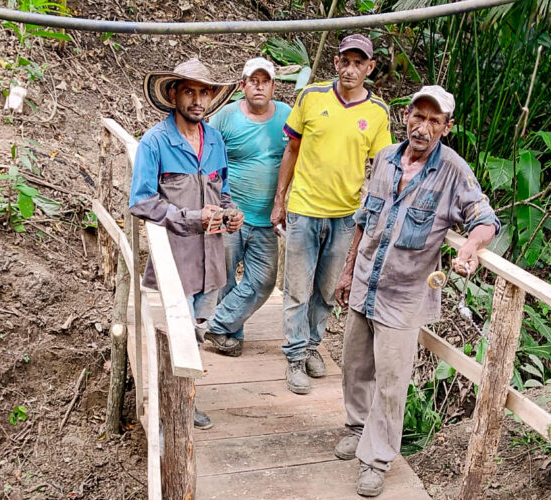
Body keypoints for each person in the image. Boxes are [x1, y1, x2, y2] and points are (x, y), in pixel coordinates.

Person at [334, 85, 501, 497]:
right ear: (406, 115)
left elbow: (485, 219)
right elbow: (363, 219)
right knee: (354, 366)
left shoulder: (454, 171)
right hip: (365, 280)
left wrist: (469, 246)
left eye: (434, 120)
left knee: (391, 381)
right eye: (418, 116)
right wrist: (348, 268)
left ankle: (376, 459)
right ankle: (357, 426)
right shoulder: (387, 157)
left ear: (448, 127)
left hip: (404, 294)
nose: (423, 127)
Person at [272, 34, 391, 395]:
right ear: (336, 63)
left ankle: (311, 346)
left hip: (345, 217)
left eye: (360, 63)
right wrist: (280, 199)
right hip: (305, 208)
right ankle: (294, 356)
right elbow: (292, 149)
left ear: (369, 68)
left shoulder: (377, 112)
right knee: (296, 287)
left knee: (325, 290)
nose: (351, 69)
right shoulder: (311, 97)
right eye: (346, 61)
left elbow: (383, 166)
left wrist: (375, 214)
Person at [129, 58, 244, 429]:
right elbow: (142, 201)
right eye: (190, 91)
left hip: (211, 259)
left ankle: (183, 400)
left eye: (204, 92)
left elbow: (222, 192)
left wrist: (231, 214)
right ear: (174, 94)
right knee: (172, 335)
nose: (198, 99)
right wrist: (190, 217)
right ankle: (170, 407)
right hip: (175, 259)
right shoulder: (156, 141)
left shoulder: (215, 140)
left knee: (194, 331)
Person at [203, 57, 291, 357]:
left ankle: (214, 326)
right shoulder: (226, 118)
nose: (259, 86)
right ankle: (229, 335)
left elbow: (298, 155)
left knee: (264, 280)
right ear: (243, 85)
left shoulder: (287, 117)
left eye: (265, 81)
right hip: (231, 215)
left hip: (268, 217)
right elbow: (207, 157)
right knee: (224, 277)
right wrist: (213, 203)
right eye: (253, 80)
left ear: (273, 86)